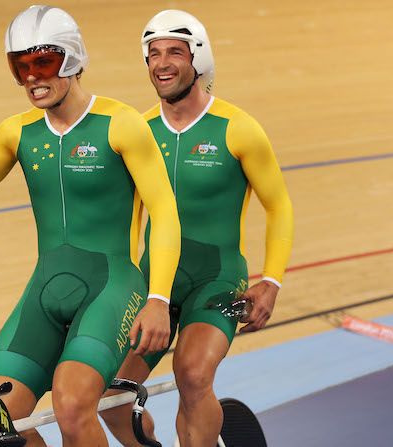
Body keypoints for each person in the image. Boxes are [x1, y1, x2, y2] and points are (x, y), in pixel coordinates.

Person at [0, 5, 180, 446]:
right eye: (21, 66)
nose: (31, 77)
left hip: (112, 286)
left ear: (71, 59)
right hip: (46, 290)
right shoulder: (18, 132)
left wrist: (158, 298)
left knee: (71, 406)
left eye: (42, 63)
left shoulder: (119, 124)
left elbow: (164, 215)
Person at [100, 9, 294, 447]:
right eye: (153, 54)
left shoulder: (238, 129)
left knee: (191, 373)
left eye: (174, 52)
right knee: (111, 396)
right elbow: (126, 217)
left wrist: (272, 281)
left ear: (198, 59)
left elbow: (279, 205)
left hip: (217, 279)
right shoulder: (139, 130)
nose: (162, 63)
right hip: (155, 286)